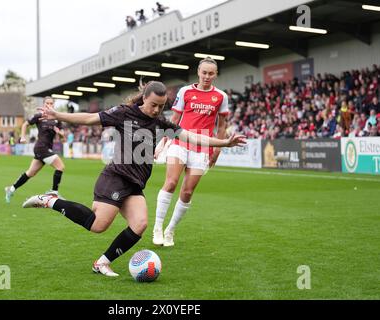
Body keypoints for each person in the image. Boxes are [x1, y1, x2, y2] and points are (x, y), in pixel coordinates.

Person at [21, 81, 246, 277]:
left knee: (140, 224)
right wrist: (58, 115)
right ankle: (49, 200)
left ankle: (102, 263)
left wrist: (224, 143)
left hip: (135, 184)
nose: (157, 110)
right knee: (98, 226)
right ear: (144, 98)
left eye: (161, 106)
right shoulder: (124, 112)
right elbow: (90, 118)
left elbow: (192, 137)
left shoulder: (161, 124)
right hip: (116, 177)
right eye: (153, 105)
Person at [152, 57, 230, 247]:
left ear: (215, 74)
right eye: (204, 72)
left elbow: (222, 126)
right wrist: (163, 142)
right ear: (198, 72)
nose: (207, 76)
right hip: (180, 141)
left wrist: (217, 150)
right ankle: (157, 228)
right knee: (170, 182)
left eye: (211, 73)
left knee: (187, 192)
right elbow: (174, 119)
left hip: (202, 148)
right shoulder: (185, 91)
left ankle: (170, 230)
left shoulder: (221, 96)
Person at [4, 96, 66, 203]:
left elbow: (62, 137)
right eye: (47, 103)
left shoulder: (57, 119)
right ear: (44, 104)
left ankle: (11, 189)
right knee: (60, 166)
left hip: (45, 149)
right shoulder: (39, 116)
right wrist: (23, 136)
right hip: (41, 147)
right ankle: (54, 192)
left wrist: (60, 134)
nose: (49, 105)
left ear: (54, 105)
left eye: (51, 103)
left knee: (30, 173)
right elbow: (25, 124)